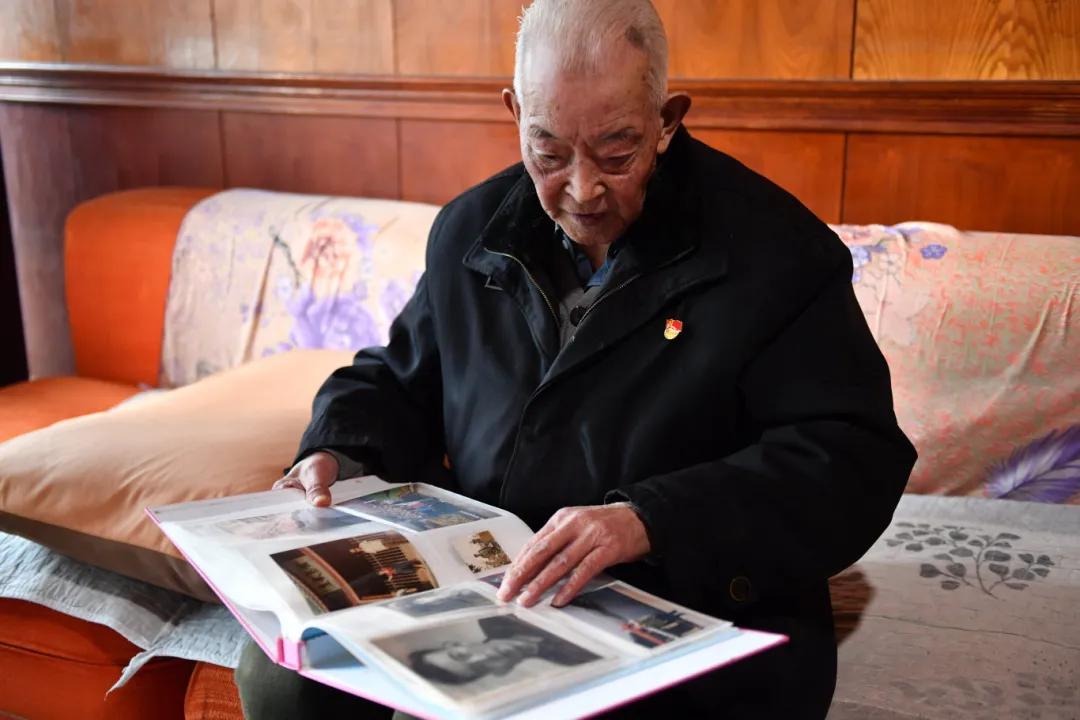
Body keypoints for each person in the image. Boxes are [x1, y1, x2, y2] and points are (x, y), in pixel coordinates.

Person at [234, 0, 916, 717]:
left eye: (617, 154)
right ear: (515, 113)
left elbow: (851, 457)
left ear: (666, 120)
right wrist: (338, 451)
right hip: (500, 582)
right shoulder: (471, 230)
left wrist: (648, 520)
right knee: (284, 676)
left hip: (691, 595)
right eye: (549, 154)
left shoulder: (775, 253)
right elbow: (400, 379)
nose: (583, 189)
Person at [405, 615, 598, 686]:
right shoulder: (576, 660)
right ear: (501, 671)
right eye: (479, 668)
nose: (484, 656)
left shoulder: (495, 618)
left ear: (455, 645)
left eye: (461, 655)